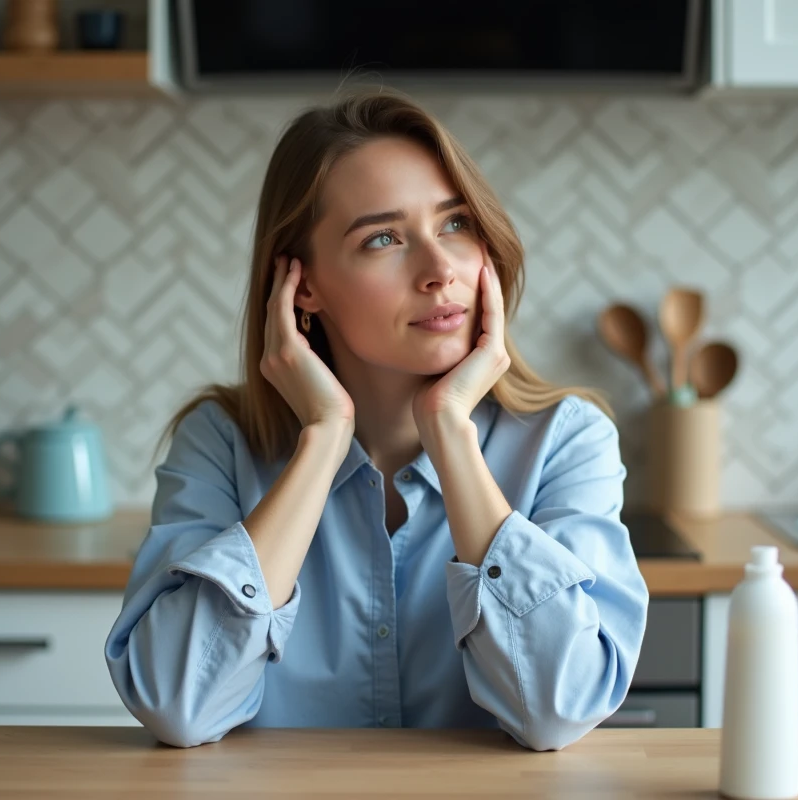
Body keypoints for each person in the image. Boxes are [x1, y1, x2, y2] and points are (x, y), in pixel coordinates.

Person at [105, 88, 649, 752]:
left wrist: (450, 431)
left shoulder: (568, 439)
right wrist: (323, 440)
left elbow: (557, 711)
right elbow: (179, 705)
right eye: (384, 238)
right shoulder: (220, 442)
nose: (439, 269)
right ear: (303, 287)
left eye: (455, 224)